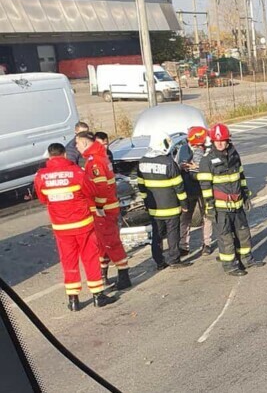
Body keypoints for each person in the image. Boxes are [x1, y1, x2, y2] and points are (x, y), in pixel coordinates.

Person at [34, 143, 117, 311]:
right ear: (65, 155)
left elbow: (43, 199)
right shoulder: (77, 172)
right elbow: (91, 191)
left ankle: (73, 300)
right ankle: (97, 296)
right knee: (90, 258)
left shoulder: (41, 176)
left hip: (61, 227)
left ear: (49, 156)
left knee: (68, 261)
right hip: (83, 224)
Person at [198, 124, 263, 276]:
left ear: (228, 141)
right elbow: (205, 187)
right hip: (221, 208)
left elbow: (241, 177)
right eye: (217, 141)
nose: (220, 143)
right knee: (225, 237)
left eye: (223, 140)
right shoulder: (206, 161)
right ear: (212, 141)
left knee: (243, 233)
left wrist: (246, 195)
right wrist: (210, 207)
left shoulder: (234, 155)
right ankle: (230, 265)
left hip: (237, 204)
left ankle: (246, 259)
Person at [76, 132, 131, 290]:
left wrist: (99, 207)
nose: (76, 147)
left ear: (85, 143)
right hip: (108, 207)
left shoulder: (94, 162)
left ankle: (123, 275)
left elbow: (101, 188)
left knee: (110, 243)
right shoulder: (100, 157)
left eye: (78, 144)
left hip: (104, 209)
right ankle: (104, 274)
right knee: (103, 244)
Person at [137, 132, 191, 270]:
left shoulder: (142, 162)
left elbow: (141, 186)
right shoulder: (168, 163)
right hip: (171, 207)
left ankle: (159, 261)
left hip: (154, 208)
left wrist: (146, 204)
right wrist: (184, 204)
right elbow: (179, 186)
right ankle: (174, 259)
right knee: (173, 233)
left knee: (157, 235)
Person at [179, 126, 214, 257]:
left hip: (205, 188)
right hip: (189, 188)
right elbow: (181, 165)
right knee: (185, 218)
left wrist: (197, 167)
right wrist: (185, 166)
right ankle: (183, 246)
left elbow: (212, 166)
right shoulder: (184, 149)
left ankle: (207, 244)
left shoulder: (209, 150)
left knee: (207, 216)